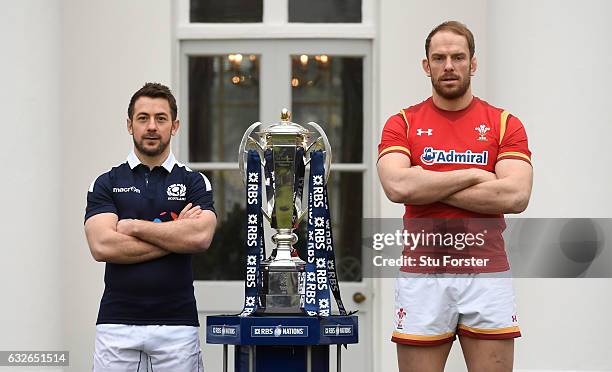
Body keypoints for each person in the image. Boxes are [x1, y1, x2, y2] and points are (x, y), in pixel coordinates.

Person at [377, 21, 533, 372]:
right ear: (426, 65)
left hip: (486, 271)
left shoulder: (504, 123)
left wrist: (426, 180)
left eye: (458, 57)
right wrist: (477, 175)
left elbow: (516, 194)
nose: (449, 66)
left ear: (473, 64)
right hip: (423, 274)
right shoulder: (401, 122)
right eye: (439, 57)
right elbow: (398, 187)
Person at [84, 82, 217, 371]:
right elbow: (102, 245)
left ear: (175, 125)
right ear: (130, 125)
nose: (152, 126)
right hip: (116, 324)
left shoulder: (195, 182)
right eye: (143, 118)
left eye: (161, 118)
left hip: (177, 326)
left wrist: (132, 226)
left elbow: (200, 237)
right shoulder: (106, 182)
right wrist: (174, 233)